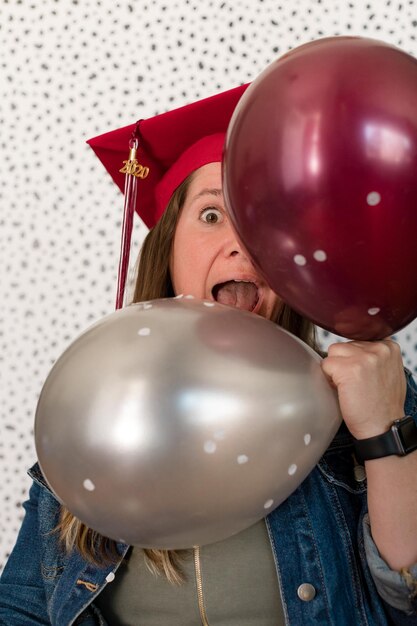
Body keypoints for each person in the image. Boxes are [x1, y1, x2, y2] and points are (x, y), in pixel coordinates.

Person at [1, 84, 417, 626]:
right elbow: (23, 604)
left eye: (266, 218)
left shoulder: (373, 392)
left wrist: (386, 434)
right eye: (213, 215)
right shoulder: (93, 398)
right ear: (169, 244)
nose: (241, 243)